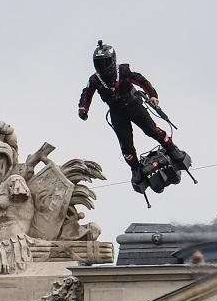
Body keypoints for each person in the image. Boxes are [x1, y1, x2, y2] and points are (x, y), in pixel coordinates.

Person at [77, 40, 183, 190]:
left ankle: (172, 149)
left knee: (151, 130)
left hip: (133, 105)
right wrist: (83, 109)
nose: (103, 67)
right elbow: (86, 93)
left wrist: (152, 95)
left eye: (105, 62)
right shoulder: (94, 79)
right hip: (116, 113)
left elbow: (141, 80)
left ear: (113, 61)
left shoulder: (123, 70)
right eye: (99, 64)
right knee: (126, 145)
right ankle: (135, 169)